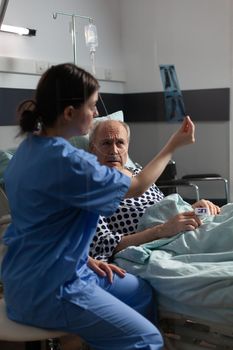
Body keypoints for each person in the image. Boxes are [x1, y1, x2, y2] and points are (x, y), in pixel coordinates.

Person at [1, 63, 195, 350]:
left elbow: (43, 222)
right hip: (53, 290)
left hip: (30, 277)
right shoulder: (72, 164)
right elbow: (138, 185)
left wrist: (81, 256)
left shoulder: (26, 152)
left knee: (140, 292)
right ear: (69, 113)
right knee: (148, 338)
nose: (95, 114)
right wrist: (172, 145)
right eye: (91, 107)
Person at [89, 119, 220, 261]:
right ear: (92, 148)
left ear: (128, 147)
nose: (114, 150)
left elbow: (163, 209)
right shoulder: (91, 188)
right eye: (106, 143)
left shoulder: (138, 171)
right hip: (164, 242)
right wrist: (162, 230)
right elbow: (104, 245)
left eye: (120, 143)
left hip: (186, 227)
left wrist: (193, 209)